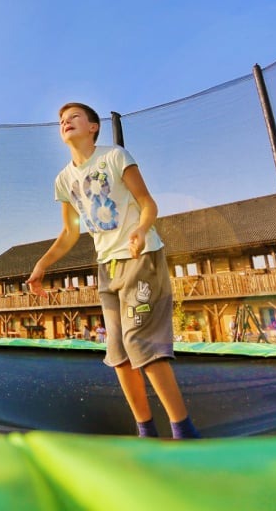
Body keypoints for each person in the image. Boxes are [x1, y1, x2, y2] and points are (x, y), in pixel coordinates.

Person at [27, 102, 200, 440]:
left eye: (74, 117)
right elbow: (69, 233)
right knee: (118, 354)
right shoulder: (64, 180)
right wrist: (42, 264)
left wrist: (140, 229)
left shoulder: (115, 156)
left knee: (140, 342)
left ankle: (184, 431)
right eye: (61, 120)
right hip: (107, 267)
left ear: (93, 127)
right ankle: (146, 431)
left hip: (141, 256)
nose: (66, 122)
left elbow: (148, 203)